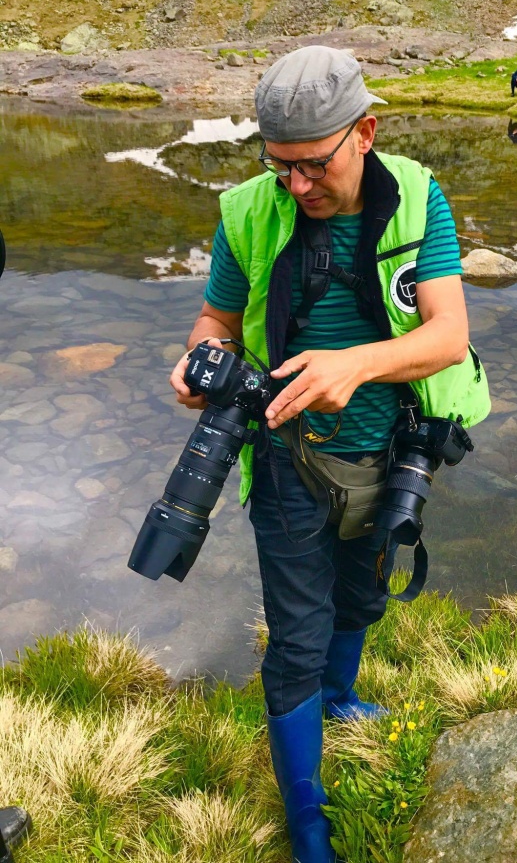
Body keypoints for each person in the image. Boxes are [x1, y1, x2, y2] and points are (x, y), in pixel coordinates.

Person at [169, 45, 489, 863]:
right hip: (286, 464)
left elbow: (449, 336)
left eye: (313, 166)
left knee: (364, 600)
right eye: (281, 169)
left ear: (366, 133)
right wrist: (195, 357)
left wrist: (358, 365)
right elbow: (215, 319)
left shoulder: (419, 198)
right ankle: (307, 825)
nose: (298, 188)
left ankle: (342, 699)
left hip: (391, 455)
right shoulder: (247, 211)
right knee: (297, 639)